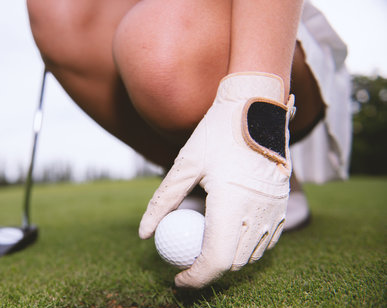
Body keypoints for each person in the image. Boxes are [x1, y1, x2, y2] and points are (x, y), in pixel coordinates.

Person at [26, 0, 351, 288]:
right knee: (53, 7)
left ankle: (262, 154)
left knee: (159, 42)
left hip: (268, 30)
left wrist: (258, 108)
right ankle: (199, 178)